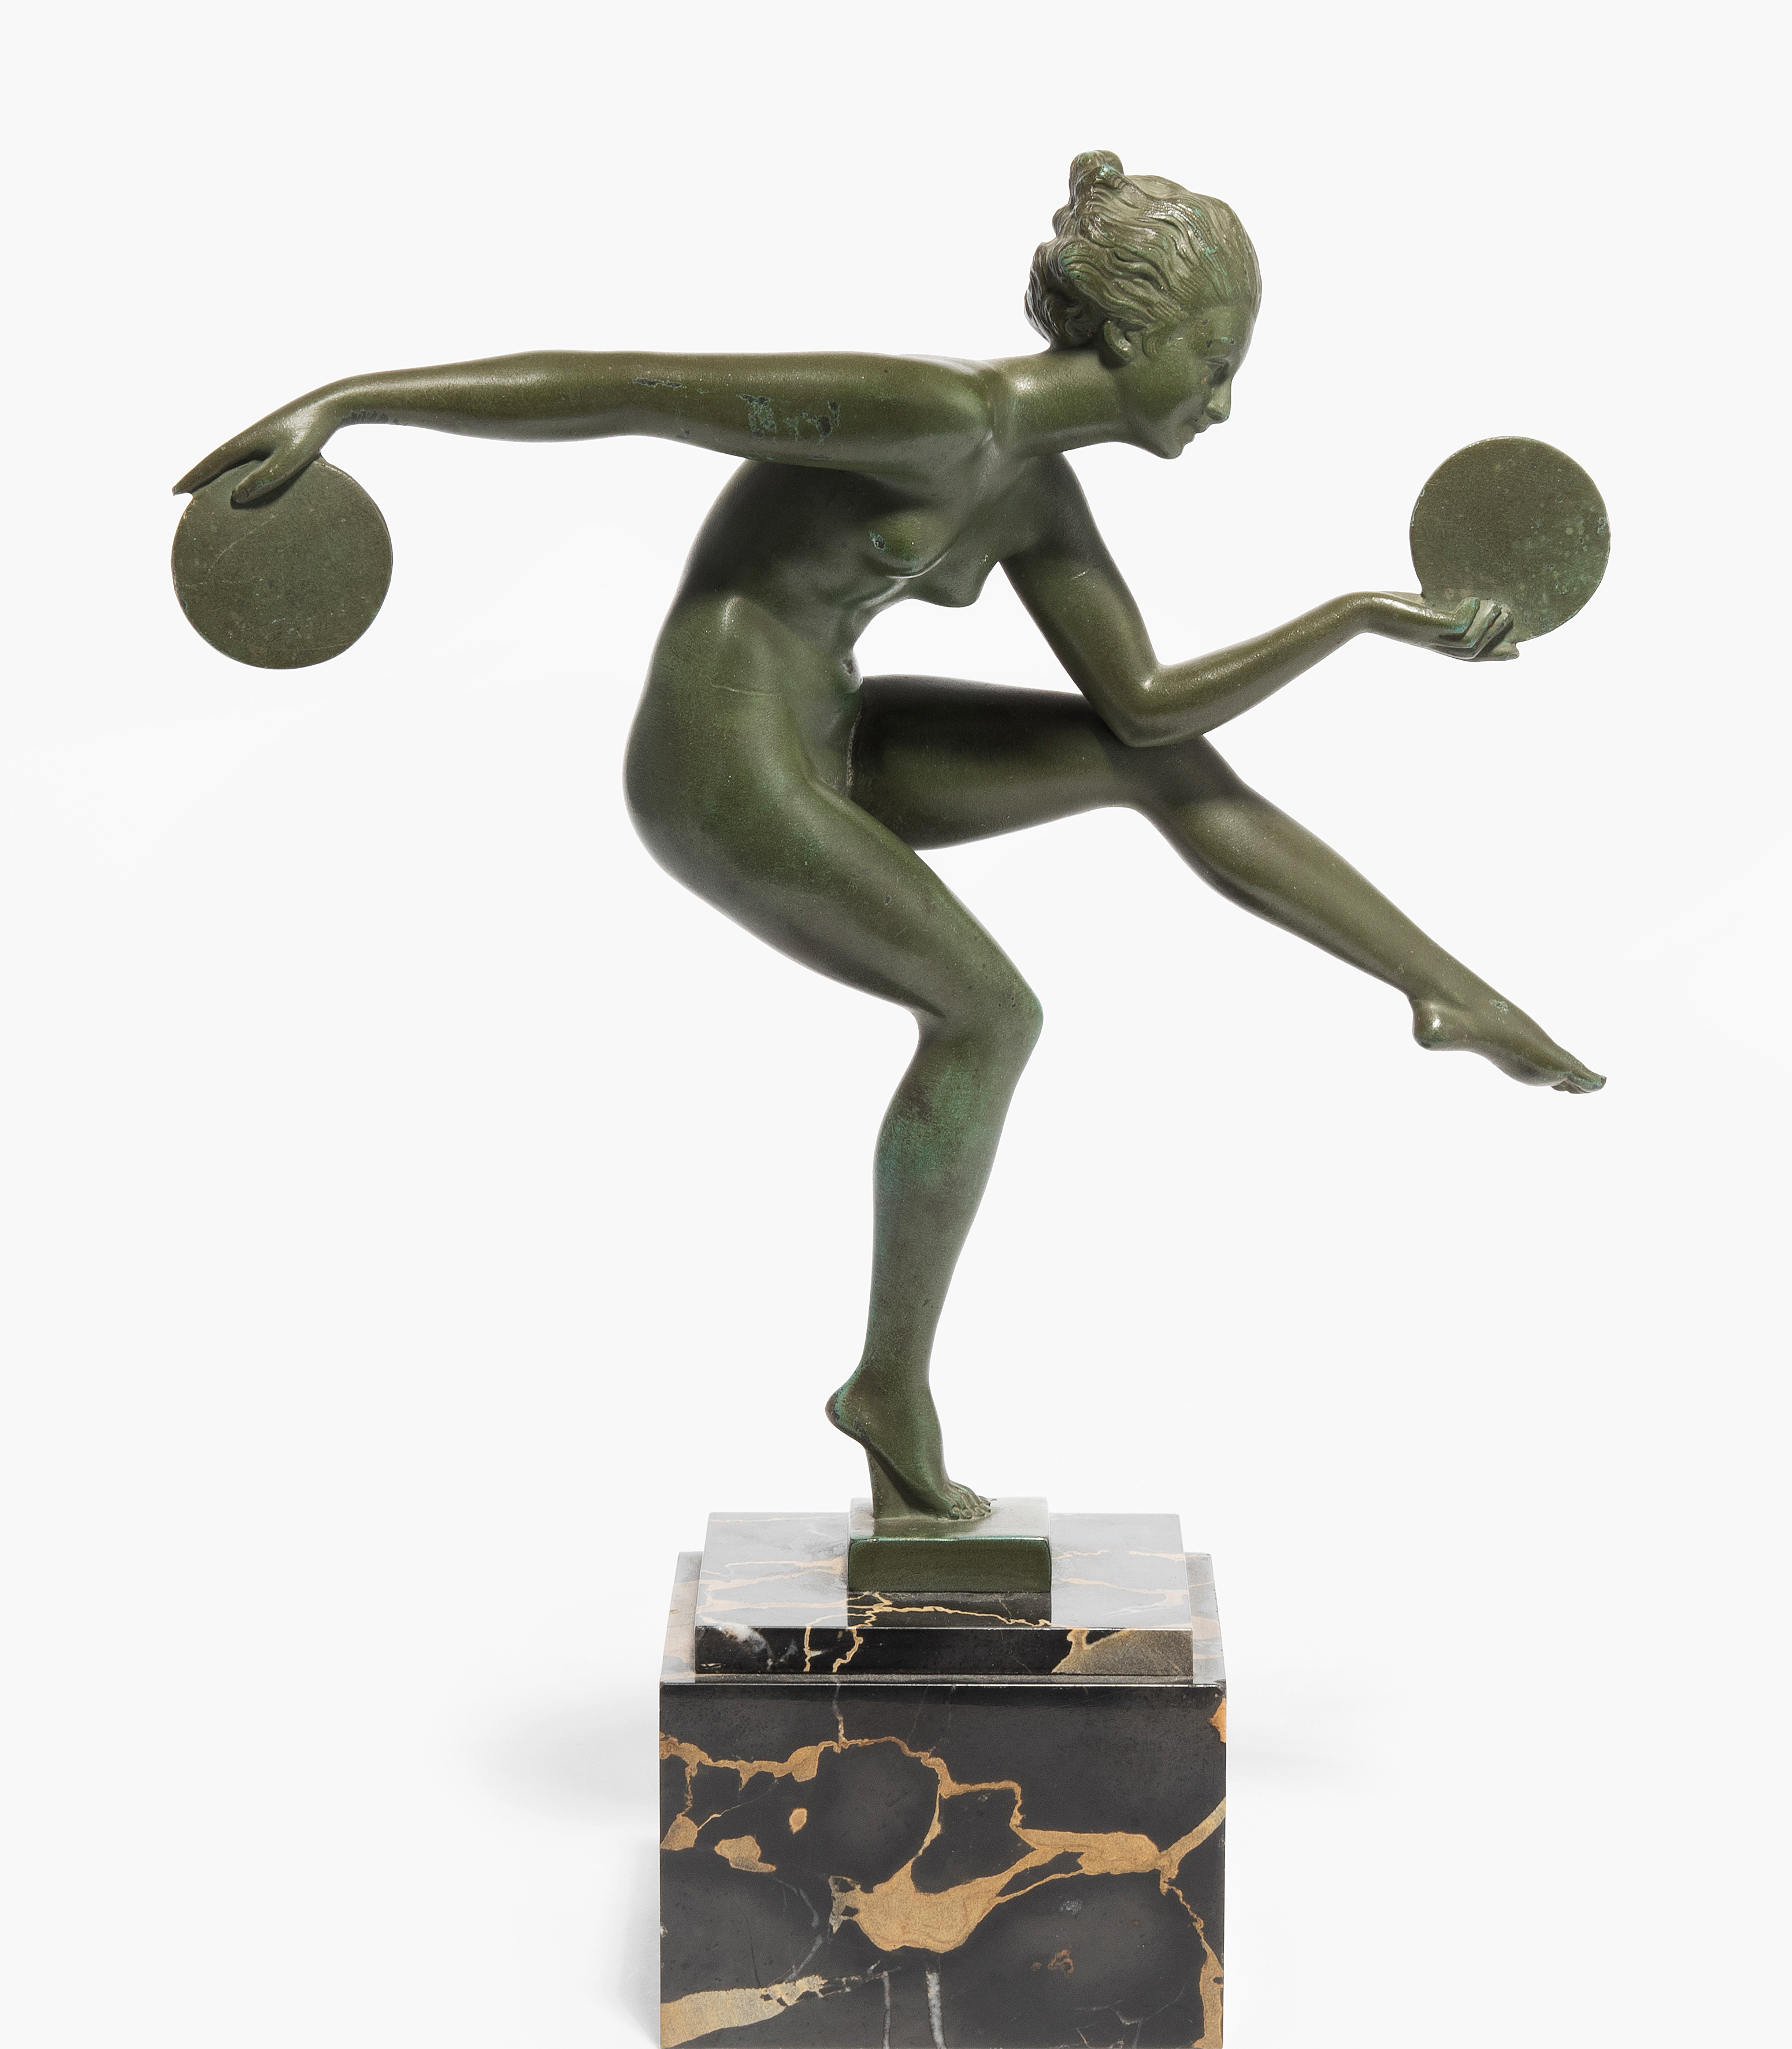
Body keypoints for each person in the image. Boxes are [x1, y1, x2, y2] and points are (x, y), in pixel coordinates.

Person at [175, 151, 1603, 1525]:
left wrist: (1361, 616)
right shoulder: (928, 410)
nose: (1225, 403)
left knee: (1146, 764)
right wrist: (348, 403)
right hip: (717, 759)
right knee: (987, 1012)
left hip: (836, 734)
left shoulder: (1036, 491)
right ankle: (887, 1388)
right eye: (1216, 362)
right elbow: (635, 388)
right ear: (1133, 335)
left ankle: (1444, 992)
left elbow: (1149, 706)